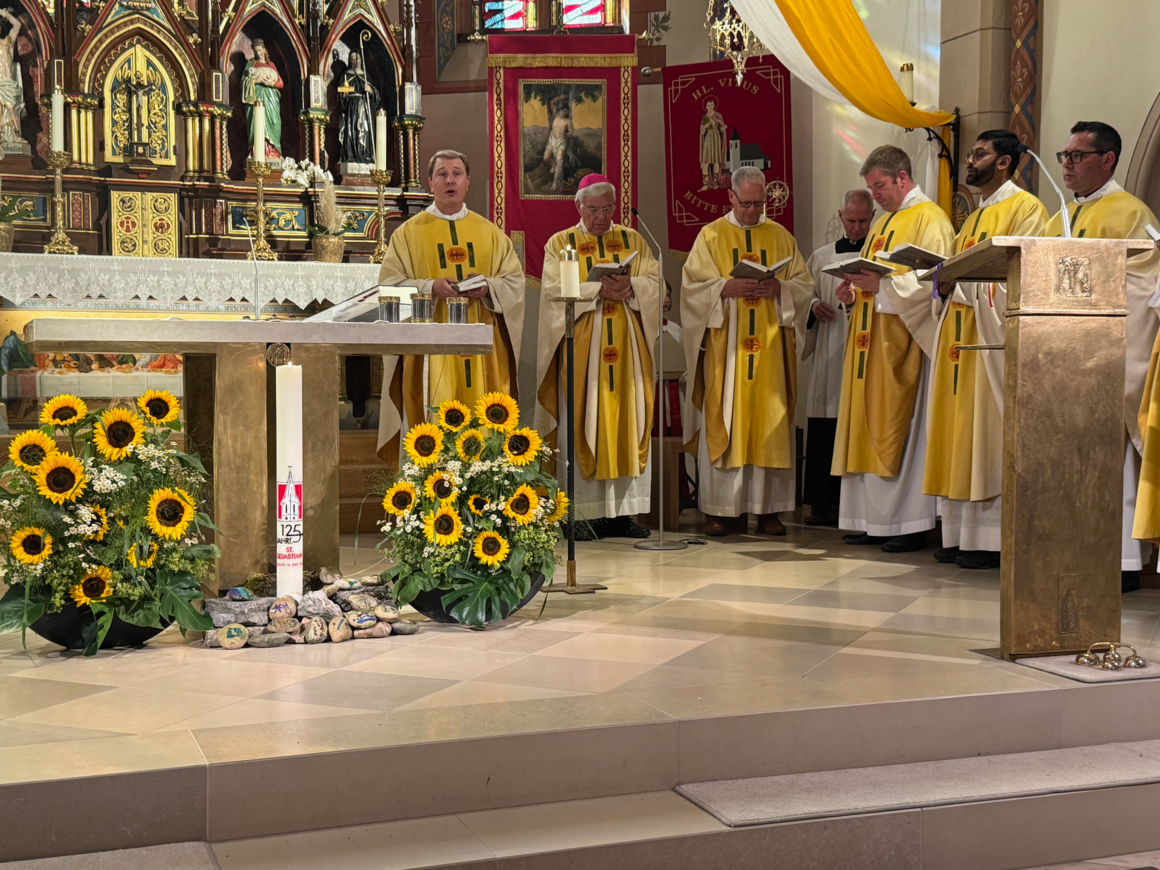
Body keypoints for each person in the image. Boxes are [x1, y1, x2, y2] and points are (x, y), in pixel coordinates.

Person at [1038, 122, 1160, 592]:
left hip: (1108, 356)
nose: (1067, 165)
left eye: (1077, 156)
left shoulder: (1131, 212)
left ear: (1107, 160)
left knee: (1111, 455)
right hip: (1065, 355)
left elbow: (1146, 283)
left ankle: (1120, 562)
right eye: (1064, 156)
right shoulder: (1061, 217)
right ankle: (1076, 553)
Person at [925, 130, 1048, 569]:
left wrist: (960, 287)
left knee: (986, 434)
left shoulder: (1026, 209)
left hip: (991, 343)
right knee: (958, 433)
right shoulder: (972, 217)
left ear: (1004, 162)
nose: (969, 161)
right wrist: (941, 286)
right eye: (970, 154)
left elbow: (1025, 278)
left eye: (979, 154)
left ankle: (991, 540)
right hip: (958, 337)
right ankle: (960, 534)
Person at [681, 165, 815, 537]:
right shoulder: (711, 235)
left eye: (759, 203)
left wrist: (780, 290)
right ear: (731, 197)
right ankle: (721, 511)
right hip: (727, 353)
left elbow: (804, 286)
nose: (753, 211)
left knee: (769, 422)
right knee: (726, 420)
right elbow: (691, 288)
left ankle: (768, 511)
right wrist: (723, 288)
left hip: (770, 352)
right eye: (746, 204)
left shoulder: (781, 236)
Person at [832, 145, 954, 552]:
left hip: (905, 346)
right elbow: (870, 278)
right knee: (866, 425)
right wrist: (852, 292)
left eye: (880, 186)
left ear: (902, 177)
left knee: (905, 431)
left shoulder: (930, 218)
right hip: (870, 342)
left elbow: (937, 281)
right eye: (871, 188)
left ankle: (907, 524)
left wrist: (882, 287)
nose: (876, 195)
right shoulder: (883, 222)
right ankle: (873, 521)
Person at [375, 150, 526, 464]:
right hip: (429, 351)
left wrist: (488, 287)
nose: (450, 180)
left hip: (484, 354)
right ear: (430, 183)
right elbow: (388, 288)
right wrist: (430, 287)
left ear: (468, 181)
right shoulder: (407, 234)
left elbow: (514, 282)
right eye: (442, 174)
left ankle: (486, 483)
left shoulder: (490, 233)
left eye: (457, 173)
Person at [536, 174, 661, 539]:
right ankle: (580, 515)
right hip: (583, 350)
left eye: (608, 208)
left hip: (628, 351)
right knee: (583, 420)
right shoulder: (561, 243)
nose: (602, 217)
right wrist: (598, 290)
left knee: (626, 421)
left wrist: (632, 286)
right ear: (578, 206)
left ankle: (622, 514)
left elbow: (656, 284)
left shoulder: (634, 239)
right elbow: (552, 292)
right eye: (593, 209)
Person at [801, 189, 875, 526]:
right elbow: (802, 295)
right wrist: (813, 305)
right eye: (851, 220)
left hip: (868, 350)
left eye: (863, 221)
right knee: (826, 416)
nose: (857, 228)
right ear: (840, 216)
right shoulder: (821, 257)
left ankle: (859, 505)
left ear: (872, 217)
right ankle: (822, 502)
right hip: (830, 347)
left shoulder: (878, 256)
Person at [336, 51, 379, 166]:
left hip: (363, 109)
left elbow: (376, 99)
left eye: (358, 59)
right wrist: (343, 96)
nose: (355, 62)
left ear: (361, 60)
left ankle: (364, 154)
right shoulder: (346, 76)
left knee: (363, 131)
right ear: (350, 61)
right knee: (351, 131)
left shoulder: (366, 76)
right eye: (353, 59)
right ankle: (350, 155)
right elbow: (340, 98)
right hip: (350, 109)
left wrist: (370, 91)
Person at [242, 39, 283, 159]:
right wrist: (257, 81)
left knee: (274, 122)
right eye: (255, 51)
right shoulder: (251, 65)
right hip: (256, 98)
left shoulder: (271, 65)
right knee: (257, 124)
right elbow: (244, 84)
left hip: (271, 98)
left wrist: (271, 83)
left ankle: (273, 152)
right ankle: (257, 153)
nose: (258, 53)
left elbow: (281, 83)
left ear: (265, 50)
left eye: (260, 50)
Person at [0, 7, 26, 149]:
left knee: (11, 108)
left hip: (7, 82)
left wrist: (4, 14)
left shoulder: (7, 43)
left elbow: (17, 25)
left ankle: (15, 135)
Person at [544, 94, 573, 193]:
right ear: (560, 110)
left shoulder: (568, 121)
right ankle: (553, 165)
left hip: (561, 142)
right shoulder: (555, 115)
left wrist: (567, 134)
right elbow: (552, 102)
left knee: (559, 160)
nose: (565, 112)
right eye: (563, 110)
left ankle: (555, 182)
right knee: (546, 157)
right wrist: (560, 97)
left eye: (566, 111)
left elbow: (571, 132)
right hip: (552, 141)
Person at [699, 98, 726, 191]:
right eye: (708, 105)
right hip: (708, 139)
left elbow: (721, 128)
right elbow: (702, 131)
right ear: (706, 107)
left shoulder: (718, 115)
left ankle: (715, 183)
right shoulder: (705, 117)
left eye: (711, 105)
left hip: (716, 139)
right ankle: (705, 184)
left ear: (714, 106)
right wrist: (705, 126)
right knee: (705, 162)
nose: (710, 107)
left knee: (716, 161)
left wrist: (723, 128)